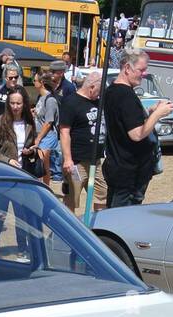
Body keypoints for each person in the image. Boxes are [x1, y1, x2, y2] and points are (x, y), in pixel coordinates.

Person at [102, 51, 170, 208]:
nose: (144, 74)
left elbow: (127, 124)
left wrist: (150, 113)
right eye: (141, 70)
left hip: (121, 167)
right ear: (127, 68)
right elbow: (137, 134)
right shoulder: (125, 96)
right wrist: (158, 114)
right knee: (121, 220)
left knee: (114, 215)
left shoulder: (112, 91)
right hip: (129, 172)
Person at [0, 88, 36, 257]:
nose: (15, 106)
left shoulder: (29, 123)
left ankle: (22, 248)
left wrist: (31, 151)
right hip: (3, 177)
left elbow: (32, 144)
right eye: (12, 103)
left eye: (18, 103)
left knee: (22, 216)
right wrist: (7, 161)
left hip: (22, 177)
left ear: (24, 104)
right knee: (0, 214)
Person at [58, 68, 106, 215]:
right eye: (99, 90)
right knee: (72, 199)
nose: (100, 94)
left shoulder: (98, 102)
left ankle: (100, 226)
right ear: (91, 87)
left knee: (102, 195)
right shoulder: (71, 102)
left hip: (96, 160)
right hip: (77, 162)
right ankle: (69, 231)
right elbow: (64, 131)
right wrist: (67, 159)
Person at [32, 70, 59, 186]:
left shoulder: (50, 100)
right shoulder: (40, 97)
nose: (33, 83)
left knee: (42, 163)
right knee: (43, 164)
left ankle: (45, 187)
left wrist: (38, 138)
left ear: (41, 82)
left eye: (34, 80)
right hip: (40, 134)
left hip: (47, 136)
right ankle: (45, 186)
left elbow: (49, 122)